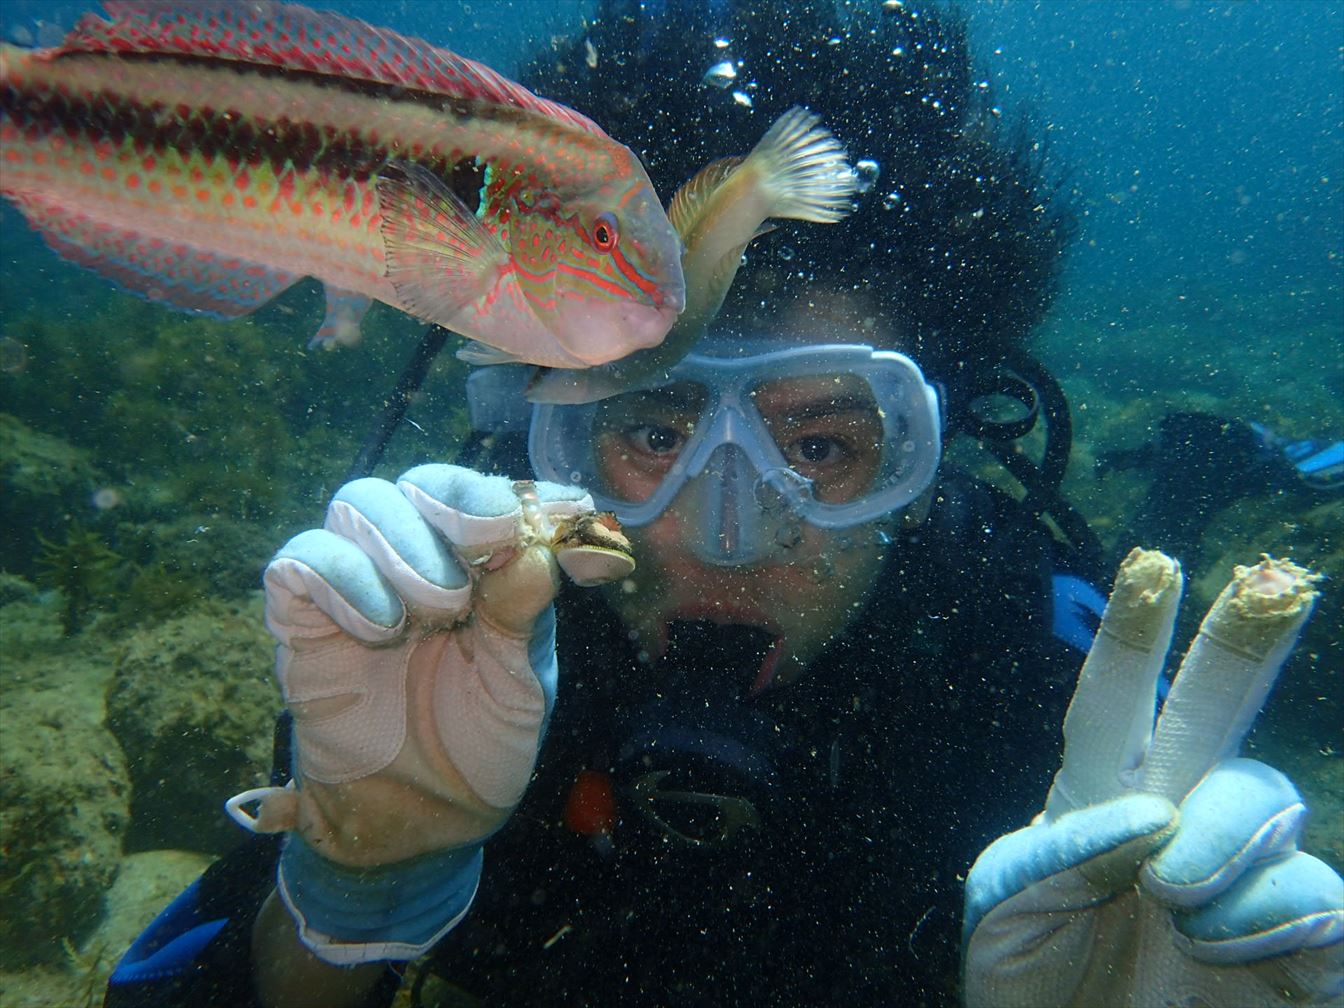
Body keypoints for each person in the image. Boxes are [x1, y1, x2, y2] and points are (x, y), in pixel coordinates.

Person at [103, 2, 1343, 1007]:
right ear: (549, 436)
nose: (727, 535)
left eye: (824, 443)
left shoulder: (1058, 698)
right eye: (652, 433)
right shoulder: (435, 648)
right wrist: (353, 882)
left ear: (930, 465)